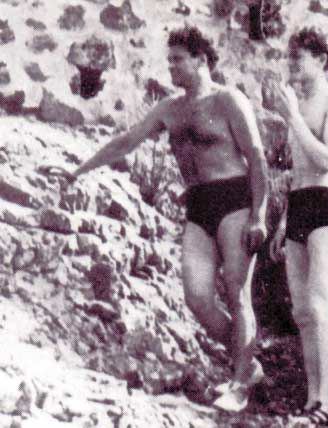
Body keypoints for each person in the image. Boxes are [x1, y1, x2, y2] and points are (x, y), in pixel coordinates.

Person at [45, 26, 268, 412]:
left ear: (201, 60)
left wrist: (260, 215)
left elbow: (257, 157)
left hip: (234, 199)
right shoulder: (170, 108)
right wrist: (78, 171)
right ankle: (248, 365)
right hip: (198, 205)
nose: (171, 67)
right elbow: (126, 141)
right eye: (169, 61)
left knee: (237, 292)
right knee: (197, 299)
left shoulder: (228, 100)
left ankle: (239, 383)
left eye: (178, 60)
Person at [269, 28, 328, 426]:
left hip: (326, 206)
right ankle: (310, 401)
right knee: (302, 311)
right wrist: (284, 222)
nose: (291, 64)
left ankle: (327, 403)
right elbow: (298, 172)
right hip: (299, 207)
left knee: (320, 305)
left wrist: (292, 118)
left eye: (298, 57)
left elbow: (326, 161)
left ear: (321, 60)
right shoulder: (299, 103)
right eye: (289, 57)